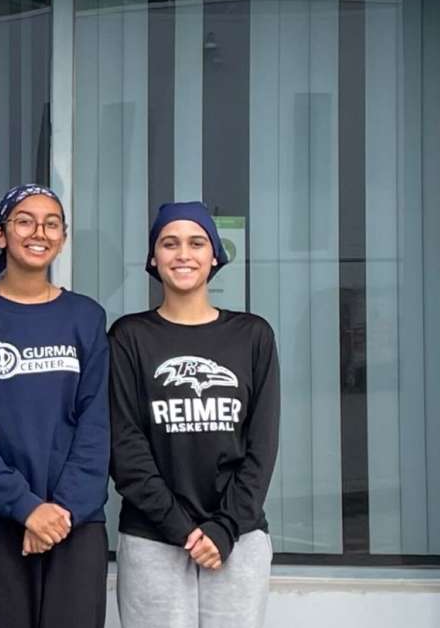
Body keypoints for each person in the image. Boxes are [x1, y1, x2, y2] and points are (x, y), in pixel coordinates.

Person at [0, 185, 111, 628]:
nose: (39, 232)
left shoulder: (86, 317)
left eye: (51, 223)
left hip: (75, 523)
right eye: (24, 221)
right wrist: (25, 507)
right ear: (0, 234)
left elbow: (96, 424)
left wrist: (60, 512)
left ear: (63, 237)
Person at [109, 202, 281, 628]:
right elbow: (125, 447)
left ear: (215, 256)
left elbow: (261, 447)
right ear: (153, 258)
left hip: (238, 535)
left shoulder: (253, 335)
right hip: (152, 537)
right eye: (170, 244)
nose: (183, 254)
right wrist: (181, 529)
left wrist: (224, 528)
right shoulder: (129, 337)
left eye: (197, 243)